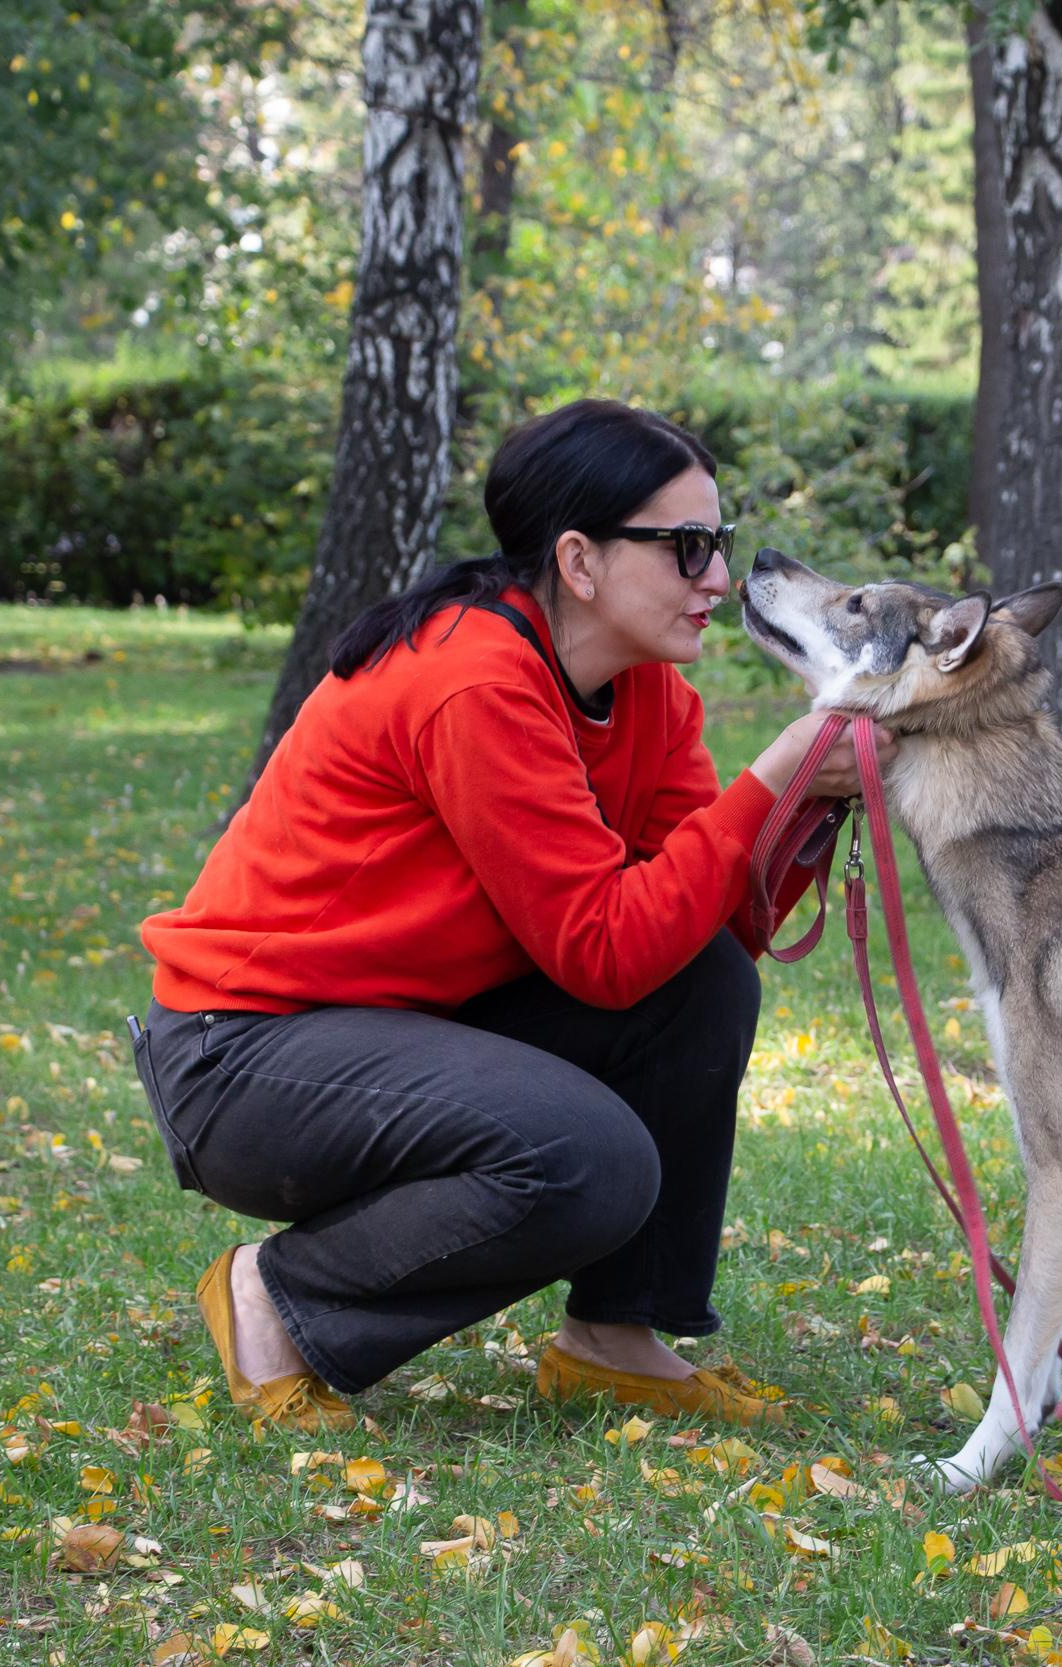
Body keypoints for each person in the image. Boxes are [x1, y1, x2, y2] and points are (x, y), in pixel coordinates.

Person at [135, 399, 894, 1431]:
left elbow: (697, 931)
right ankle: (279, 1294)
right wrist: (774, 773)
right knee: (588, 1158)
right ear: (578, 562)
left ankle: (614, 1340)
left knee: (705, 984)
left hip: (408, 1025)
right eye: (686, 548)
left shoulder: (649, 692)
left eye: (714, 544)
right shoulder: (473, 679)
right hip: (247, 1053)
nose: (717, 578)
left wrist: (801, 801)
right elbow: (603, 950)